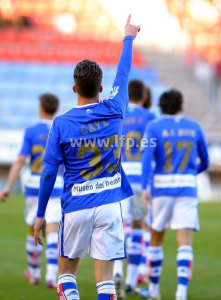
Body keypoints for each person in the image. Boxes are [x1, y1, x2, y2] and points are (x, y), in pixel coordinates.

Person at [33, 15, 140, 300]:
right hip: (109, 204)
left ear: (74, 89)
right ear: (101, 89)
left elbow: (48, 173)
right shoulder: (115, 108)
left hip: (76, 205)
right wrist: (128, 38)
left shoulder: (61, 123)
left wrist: (42, 213)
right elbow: (123, 74)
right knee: (105, 281)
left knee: (66, 274)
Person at [142, 89, 209, 300]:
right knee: (185, 243)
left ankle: (153, 290)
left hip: (161, 188)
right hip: (187, 189)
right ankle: (181, 292)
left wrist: (145, 187)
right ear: (182, 105)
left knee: (156, 239)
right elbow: (205, 161)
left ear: (160, 107)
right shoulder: (195, 127)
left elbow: (146, 159)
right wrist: (190, 174)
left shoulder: (153, 127)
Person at [0, 93, 63, 288]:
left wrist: (8, 187)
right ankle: (52, 276)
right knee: (53, 229)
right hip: (56, 184)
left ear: (41, 108)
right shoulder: (60, 129)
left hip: (34, 185)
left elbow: (20, 160)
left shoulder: (31, 131)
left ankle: (34, 273)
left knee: (32, 228)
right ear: (55, 109)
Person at [114, 79, 155, 297]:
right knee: (139, 227)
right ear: (145, 97)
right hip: (140, 177)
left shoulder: (119, 115)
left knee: (120, 225)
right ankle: (131, 280)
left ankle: (117, 272)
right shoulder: (151, 117)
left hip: (119, 176)